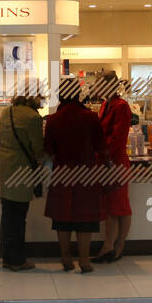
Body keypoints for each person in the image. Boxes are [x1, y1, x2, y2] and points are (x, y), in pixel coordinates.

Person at [44, 79, 110, 273]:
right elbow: (101, 146)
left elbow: (49, 149)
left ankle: (66, 258)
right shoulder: (90, 117)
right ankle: (84, 260)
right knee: (85, 219)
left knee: (62, 219)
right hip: (86, 173)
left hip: (62, 173)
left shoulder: (53, 119)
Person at [0, 95, 44, 271]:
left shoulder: (7, 111)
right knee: (18, 216)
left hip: (2, 167)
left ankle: (7, 256)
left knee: (7, 215)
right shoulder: (33, 117)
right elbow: (37, 148)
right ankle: (17, 261)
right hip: (18, 169)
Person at [95, 72, 133, 263]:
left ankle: (118, 245)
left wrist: (101, 152)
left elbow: (117, 138)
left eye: (98, 84)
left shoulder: (121, 107)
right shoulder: (105, 105)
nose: (95, 88)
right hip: (106, 161)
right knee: (110, 207)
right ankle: (109, 245)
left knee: (120, 206)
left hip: (115, 162)